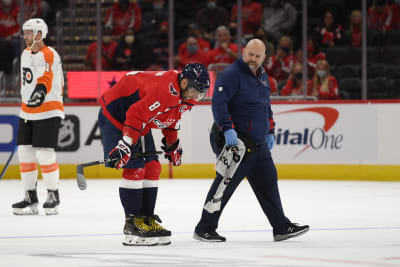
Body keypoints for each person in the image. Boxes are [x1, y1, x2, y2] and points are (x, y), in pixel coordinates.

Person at [193, 39, 309, 242]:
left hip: (258, 144)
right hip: (236, 142)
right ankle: (205, 227)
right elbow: (219, 104)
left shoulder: (263, 77)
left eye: (257, 56)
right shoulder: (231, 75)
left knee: (268, 182)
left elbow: (266, 106)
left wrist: (270, 130)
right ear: (243, 52)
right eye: (250, 54)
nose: (253, 59)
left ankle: (281, 226)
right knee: (225, 185)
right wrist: (227, 129)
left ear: (264, 57)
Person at [98, 63, 210, 246]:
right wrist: (125, 145)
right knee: (135, 168)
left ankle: (146, 219)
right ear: (184, 83)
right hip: (116, 113)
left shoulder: (186, 96)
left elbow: (172, 118)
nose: (196, 97)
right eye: (195, 91)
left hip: (139, 118)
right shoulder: (164, 91)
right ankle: (132, 224)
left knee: (152, 167)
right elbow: (134, 114)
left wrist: (172, 144)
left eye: (201, 93)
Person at [12, 18, 64, 216]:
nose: (25, 36)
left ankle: (53, 195)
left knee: (44, 152)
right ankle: (30, 197)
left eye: (28, 32)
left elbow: (46, 78)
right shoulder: (25, 54)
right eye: (24, 32)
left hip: (49, 109)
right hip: (27, 111)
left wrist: (40, 92)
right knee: (24, 152)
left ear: (39, 34)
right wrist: (29, 100)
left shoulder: (50, 54)